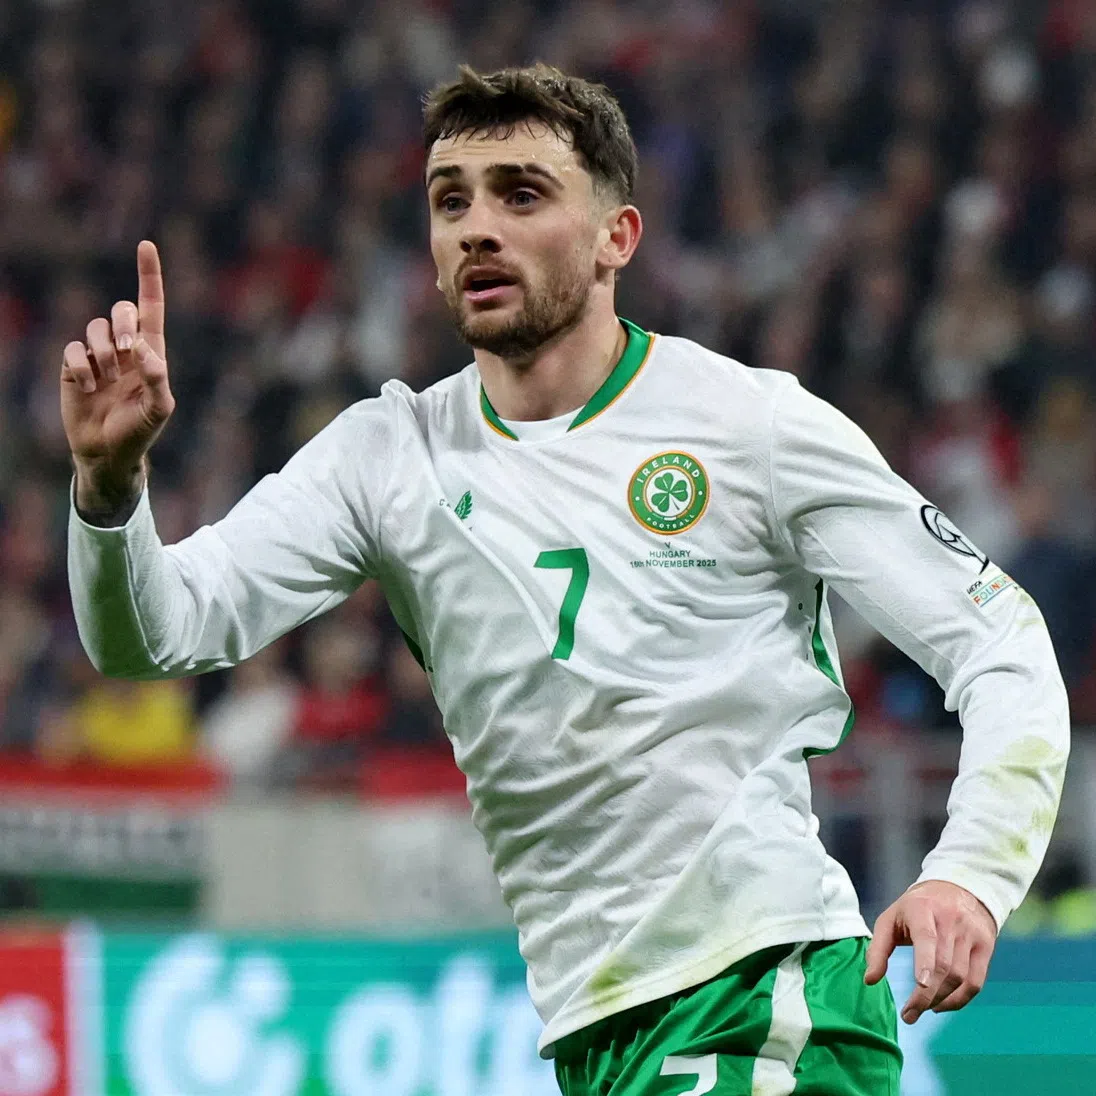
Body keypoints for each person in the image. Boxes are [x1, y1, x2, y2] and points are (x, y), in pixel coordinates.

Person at [62, 65, 1068, 1095]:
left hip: (760, 1001)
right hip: (602, 1033)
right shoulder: (386, 457)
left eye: (521, 193)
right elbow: (155, 632)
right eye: (450, 199)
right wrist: (108, 486)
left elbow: (999, 639)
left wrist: (970, 875)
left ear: (614, 237)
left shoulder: (747, 424)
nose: (476, 227)